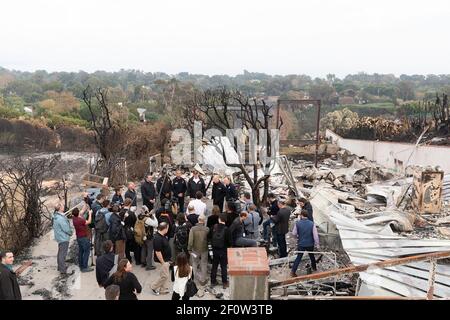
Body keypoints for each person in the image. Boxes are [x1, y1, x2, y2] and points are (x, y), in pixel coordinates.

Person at [291, 210, 320, 277]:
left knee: (299, 257)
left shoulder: (298, 223)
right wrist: (317, 244)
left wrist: (297, 237)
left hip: (301, 243)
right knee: (312, 256)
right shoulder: (312, 223)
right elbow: (315, 235)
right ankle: (314, 268)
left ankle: (293, 272)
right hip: (310, 244)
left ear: (301, 215)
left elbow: (294, 233)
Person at [210, 213, 232, 288]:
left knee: (214, 266)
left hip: (215, 250)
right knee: (223, 267)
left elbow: (209, 237)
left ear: (219, 219)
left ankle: (213, 282)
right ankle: (224, 283)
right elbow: (229, 242)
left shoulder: (214, 227)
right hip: (223, 250)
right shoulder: (227, 229)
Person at [151, 223, 172, 295]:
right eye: (168, 228)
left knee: (165, 275)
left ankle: (163, 290)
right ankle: (153, 286)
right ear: (165, 228)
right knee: (164, 276)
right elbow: (158, 252)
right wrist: (163, 262)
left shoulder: (162, 236)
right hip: (162, 261)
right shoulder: (157, 238)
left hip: (166, 260)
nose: (168, 229)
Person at [188, 216, 209, 287]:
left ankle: (194, 280)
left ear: (198, 220)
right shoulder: (207, 229)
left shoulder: (193, 229)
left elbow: (190, 241)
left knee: (194, 263)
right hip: (204, 249)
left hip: (195, 249)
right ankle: (203, 280)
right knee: (204, 264)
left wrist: (189, 248)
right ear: (204, 221)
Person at [52, 203, 73, 274]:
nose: (64, 207)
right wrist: (71, 232)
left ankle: (60, 267)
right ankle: (62, 269)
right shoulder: (60, 218)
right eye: (62, 206)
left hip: (60, 236)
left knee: (60, 252)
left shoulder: (57, 216)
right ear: (60, 208)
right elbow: (66, 229)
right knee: (62, 254)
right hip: (63, 237)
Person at [72, 206, 94, 272]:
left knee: (81, 251)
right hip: (84, 237)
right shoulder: (80, 220)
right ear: (78, 213)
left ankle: (81, 265)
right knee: (86, 252)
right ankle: (85, 267)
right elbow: (89, 221)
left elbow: (80, 213)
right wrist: (90, 214)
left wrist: (85, 207)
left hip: (78, 237)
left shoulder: (74, 219)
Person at [139, 206, 158, 270]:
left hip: (142, 236)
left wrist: (148, 214)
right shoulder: (146, 219)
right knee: (150, 250)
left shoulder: (139, 217)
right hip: (148, 236)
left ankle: (143, 262)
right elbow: (156, 224)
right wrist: (154, 216)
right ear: (146, 211)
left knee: (143, 249)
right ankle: (149, 265)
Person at [122, 199, 140, 265]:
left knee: (126, 247)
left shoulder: (121, 212)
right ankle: (137, 260)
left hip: (124, 231)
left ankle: (128, 259)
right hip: (131, 231)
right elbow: (135, 222)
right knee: (135, 246)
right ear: (130, 204)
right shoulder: (131, 213)